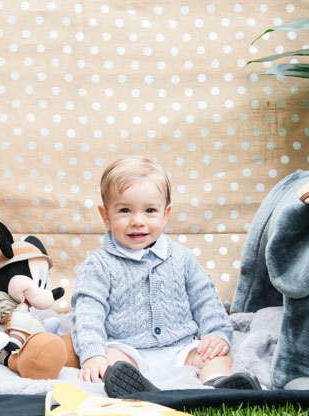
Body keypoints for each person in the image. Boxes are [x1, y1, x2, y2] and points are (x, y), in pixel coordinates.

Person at [71, 155, 260, 397]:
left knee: (215, 355)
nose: (137, 221)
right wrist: (93, 353)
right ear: (106, 215)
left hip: (181, 347)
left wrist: (215, 333)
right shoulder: (99, 264)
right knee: (110, 358)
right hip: (128, 348)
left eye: (150, 210)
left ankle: (219, 384)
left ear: (166, 213)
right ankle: (130, 385)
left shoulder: (182, 258)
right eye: (125, 210)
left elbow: (205, 300)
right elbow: (88, 312)